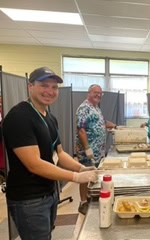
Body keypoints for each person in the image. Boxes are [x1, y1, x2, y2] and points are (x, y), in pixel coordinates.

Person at [2, 67, 98, 240]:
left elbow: (59, 153)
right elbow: (34, 164)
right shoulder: (19, 117)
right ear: (30, 86)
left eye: (54, 87)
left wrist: (81, 168)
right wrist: (75, 177)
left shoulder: (49, 117)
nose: (50, 91)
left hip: (50, 193)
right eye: (44, 85)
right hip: (30, 199)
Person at [75, 84, 117, 214]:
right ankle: (82, 202)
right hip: (88, 151)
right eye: (95, 92)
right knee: (85, 176)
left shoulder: (96, 108)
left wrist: (115, 126)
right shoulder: (84, 108)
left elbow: (103, 123)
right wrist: (87, 148)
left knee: (94, 174)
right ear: (89, 93)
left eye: (100, 93)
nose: (98, 95)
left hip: (98, 151)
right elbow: (81, 129)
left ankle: (89, 195)